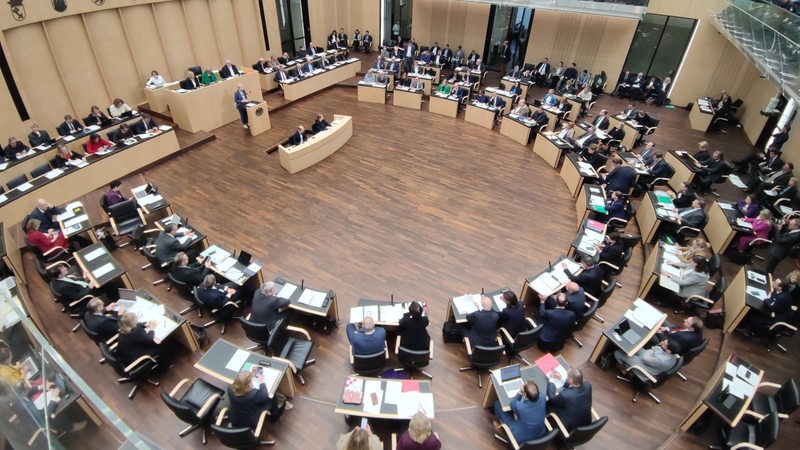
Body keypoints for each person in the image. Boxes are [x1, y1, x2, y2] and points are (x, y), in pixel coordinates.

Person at [228, 370, 287, 445]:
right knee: (271, 398)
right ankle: (274, 416)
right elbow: (264, 395)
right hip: (250, 420)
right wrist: (261, 381)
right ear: (248, 385)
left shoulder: (230, 389)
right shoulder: (253, 395)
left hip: (235, 417)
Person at [492, 379, 546, 444]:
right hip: (540, 433)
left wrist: (520, 392)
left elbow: (512, 403)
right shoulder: (543, 397)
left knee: (497, 404)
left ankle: (504, 431)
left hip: (521, 437)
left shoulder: (521, 407)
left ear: (525, 395)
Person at [614, 338, 681, 377]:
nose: (662, 342)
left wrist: (653, 351)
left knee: (617, 353)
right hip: (651, 359)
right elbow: (654, 350)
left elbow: (644, 358)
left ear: (669, 351)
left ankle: (624, 368)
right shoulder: (673, 355)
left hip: (645, 367)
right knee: (633, 346)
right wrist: (654, 351)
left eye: (664, 344)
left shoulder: (661, 360)